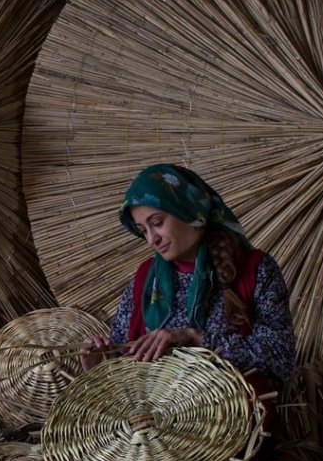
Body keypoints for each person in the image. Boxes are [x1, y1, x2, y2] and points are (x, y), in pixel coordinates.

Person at [79, 164, 295, 396]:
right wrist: (102, 363)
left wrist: (195, 338)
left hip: (232, 419)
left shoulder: (255, 269)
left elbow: (281, 358)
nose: (152, 239)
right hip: (153, 423)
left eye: (157, 222)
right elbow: (124, 363)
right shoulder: (145, 278)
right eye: (143, 230)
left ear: (189, 210)